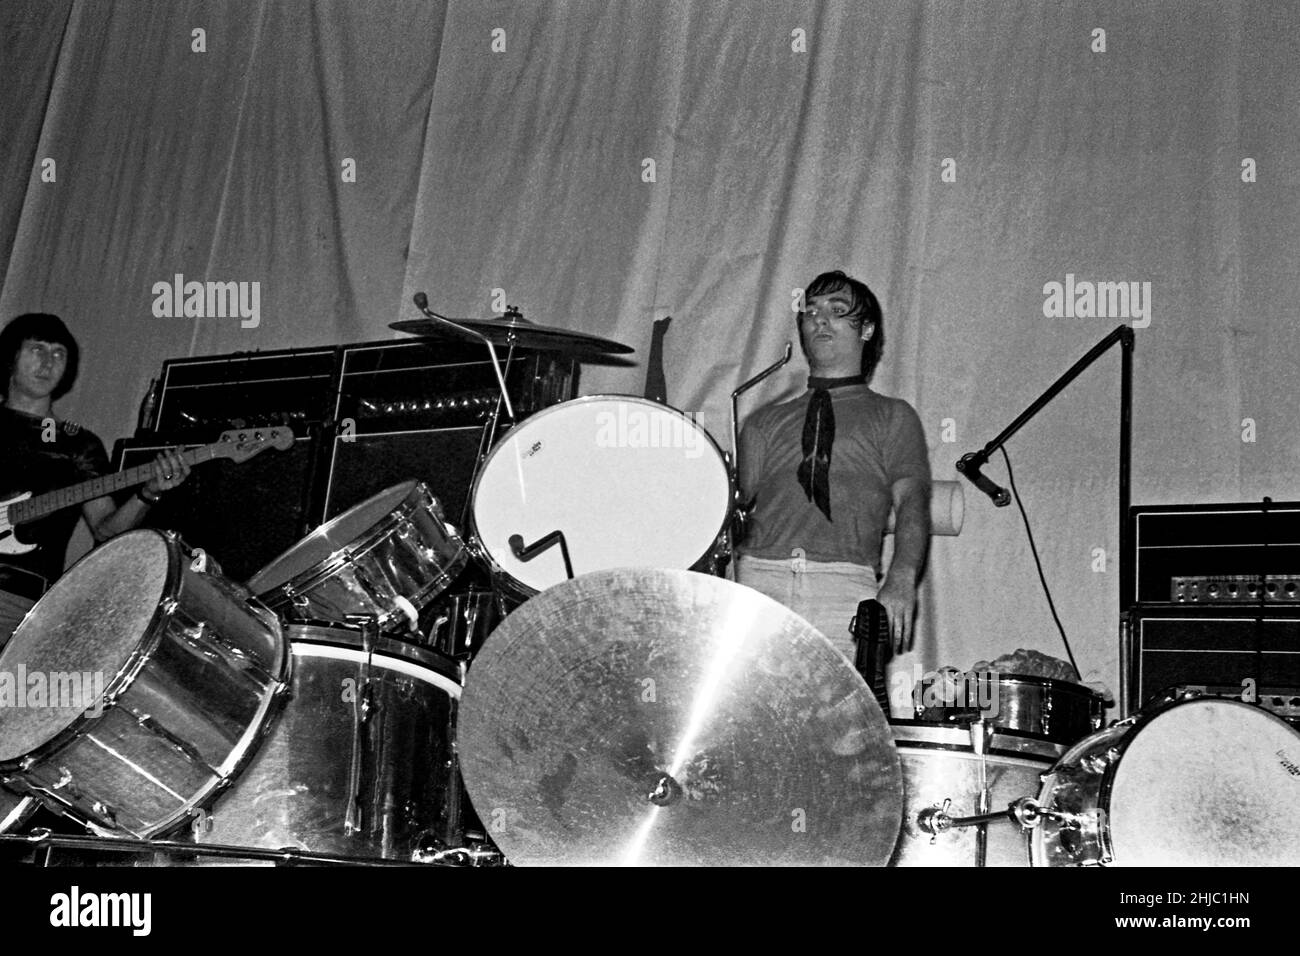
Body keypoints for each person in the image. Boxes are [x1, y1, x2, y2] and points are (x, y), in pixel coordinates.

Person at [736, 270, 931, 670]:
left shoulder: (893, 415)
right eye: (810, 311)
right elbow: (730, 512)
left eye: (837, 311)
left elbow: (913, 499)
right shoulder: (761, 421)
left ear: (867, 329)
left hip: (843, 587)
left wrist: (902, 576)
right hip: (759, 580)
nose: (819, 318)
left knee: (832, 723)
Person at [0, 313, 189, 641]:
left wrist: (148, 493)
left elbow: (105, 529)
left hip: (20, 599)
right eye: (37, 349)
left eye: (59, 353)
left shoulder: (77, 444)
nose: (49, 362)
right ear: (10, 357)